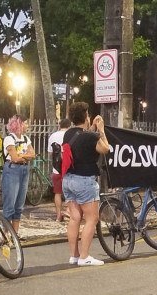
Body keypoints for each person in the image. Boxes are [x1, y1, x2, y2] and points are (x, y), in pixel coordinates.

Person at [63, 102, 110, 266]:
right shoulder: (90, 137)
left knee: (75, 218)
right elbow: (105, 149)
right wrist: (101, 131)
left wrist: (93, 131)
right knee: (92, 218)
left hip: (68, 180)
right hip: (84, 181)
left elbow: (82, 140)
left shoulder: (68, 134)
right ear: (86, 117)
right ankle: (84, 257)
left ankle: (74, 255)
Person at [2, 115, 35, 235]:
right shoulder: (9, 139)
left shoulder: (26, 138)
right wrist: (24, 156)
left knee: (19, 204)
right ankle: (6, 233)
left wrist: (22, 156)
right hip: (12, 171)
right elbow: (14, 158)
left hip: (24, 170)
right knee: (10, 203)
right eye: (25, 123)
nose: (28, 126)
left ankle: (15, 234)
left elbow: (33, 154)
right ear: (19, 125)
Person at [47, 118, 71, 222]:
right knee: (71, 193)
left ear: (59, 125)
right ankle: (69, 212)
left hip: (56, 169)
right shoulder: (71, 135)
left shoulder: (53, 136)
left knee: (57, 193)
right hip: (69, 169)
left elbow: (50, 153)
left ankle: (58, 216)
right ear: (69, 126)